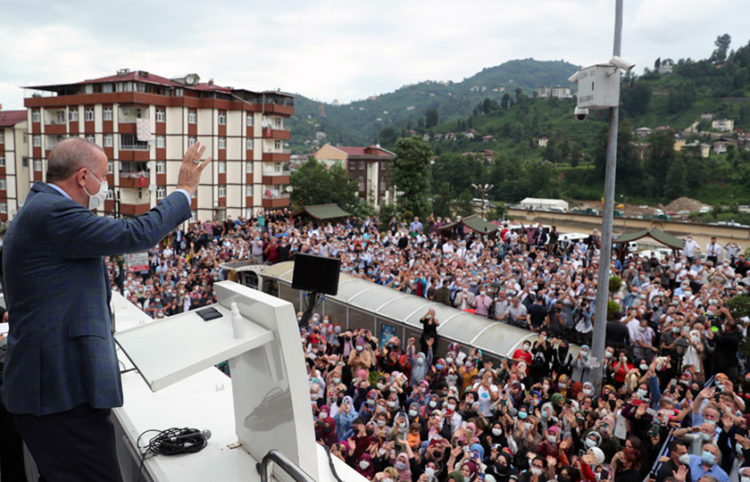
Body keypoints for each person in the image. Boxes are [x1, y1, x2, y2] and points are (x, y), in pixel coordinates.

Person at [2, 138, 211, 481]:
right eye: (105, 175)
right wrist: (184, 190)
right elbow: (135, 233)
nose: (107, 185)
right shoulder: (54, 212)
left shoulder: (38, 210)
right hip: (59, 395)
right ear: (83, 177)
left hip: (50, 392)